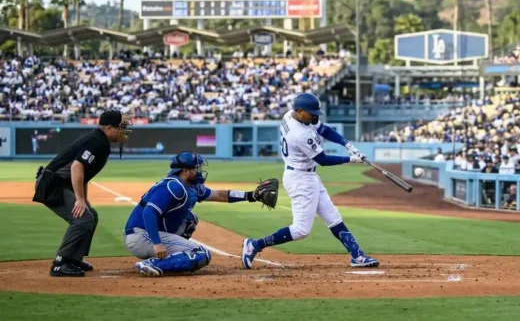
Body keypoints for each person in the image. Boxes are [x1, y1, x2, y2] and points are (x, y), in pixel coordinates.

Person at [242, 93, 378, 268]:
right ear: (299, 111)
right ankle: (255, 245)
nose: (315, 116)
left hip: (306, 176)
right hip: (301, 179)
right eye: (311, 113)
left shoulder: (288, 116)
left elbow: (324, 129)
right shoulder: (301, 134)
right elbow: (323, 160)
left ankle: (357, 256)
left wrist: (347, 144)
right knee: (301, 230)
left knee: (333, 217)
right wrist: (351, 159)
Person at [125, 152, 276, 277]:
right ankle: (152, 263)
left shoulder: (191, 186)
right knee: (201, 254)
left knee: (190, 220)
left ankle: (169, 256)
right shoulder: (173, 186)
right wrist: (157, 243)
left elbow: (220, 195)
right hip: (141, 236)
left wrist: (251, 196)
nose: (199, 171)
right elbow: (149, 212)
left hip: (148, 234)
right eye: (196, 168)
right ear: (185, 171)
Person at [38, 111, 131, 277]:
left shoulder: (100, 140)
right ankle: (61, 263)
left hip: (59, 184)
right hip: (52, 184)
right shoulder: (97, 141)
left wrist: (84, 199)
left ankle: (74, 258)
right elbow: (76, 167)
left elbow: (85, 175)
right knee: (82, 217)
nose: (123, 131)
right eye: (121, 127)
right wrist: (79, 199)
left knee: (90, 214)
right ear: (109, 128)